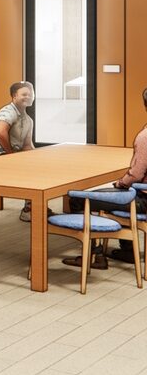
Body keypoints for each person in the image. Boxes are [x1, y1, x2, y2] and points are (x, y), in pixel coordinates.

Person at [64, 86, 147, 270]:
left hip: (143, 201)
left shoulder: (145, 137)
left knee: (79, 199)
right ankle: (126, 250)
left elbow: (135, 175)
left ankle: (93, 256)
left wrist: (120, 183)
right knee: (115, 195)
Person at [0, 81, 41, 222]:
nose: (28, 97)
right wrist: (11, 155)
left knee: (40, 168)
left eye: (31, 94)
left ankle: (36, 206)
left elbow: (27, 145)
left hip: (14, 156)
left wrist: (40, 159)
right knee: (31, 171)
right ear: (14, 96)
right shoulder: (8, 112)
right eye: (24, 94)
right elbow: (0, 132)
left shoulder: (28, 120)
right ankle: (29, 209)